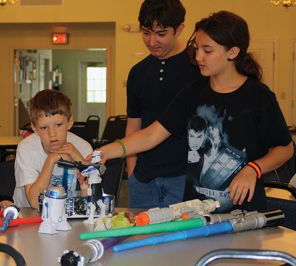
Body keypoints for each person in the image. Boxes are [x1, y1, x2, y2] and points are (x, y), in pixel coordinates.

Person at [98, 11, 293, 212]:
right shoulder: (193, 92)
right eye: (197, 48)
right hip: (196, 213)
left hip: (245, 215)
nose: (198, 57)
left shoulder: (258, 96)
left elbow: (285, 149)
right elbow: (151, 135)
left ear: (232, 52)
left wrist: (254, 169)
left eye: (207, 50)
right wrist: (106, 151)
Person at [125, 0, 200, 209]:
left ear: (180, 29)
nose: (152, 41)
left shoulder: (198, 66)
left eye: (161, 33)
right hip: (143, 178)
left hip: (185, 177)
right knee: (141, 239)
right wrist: (132, 171)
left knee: (182, 241)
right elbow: (134, 124)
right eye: (146, 32)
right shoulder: (138, 72)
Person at [13, 89, 93, 208]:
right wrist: (51, 160)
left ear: (70, 122)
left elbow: (91, 200)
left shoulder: (83, 148)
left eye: (58, 125)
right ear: (34, 128)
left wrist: (79, 160)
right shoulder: (26, 148)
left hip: (67, 213)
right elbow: (35, 203)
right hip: (28, 213)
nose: (52, 134)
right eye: (44, 127)